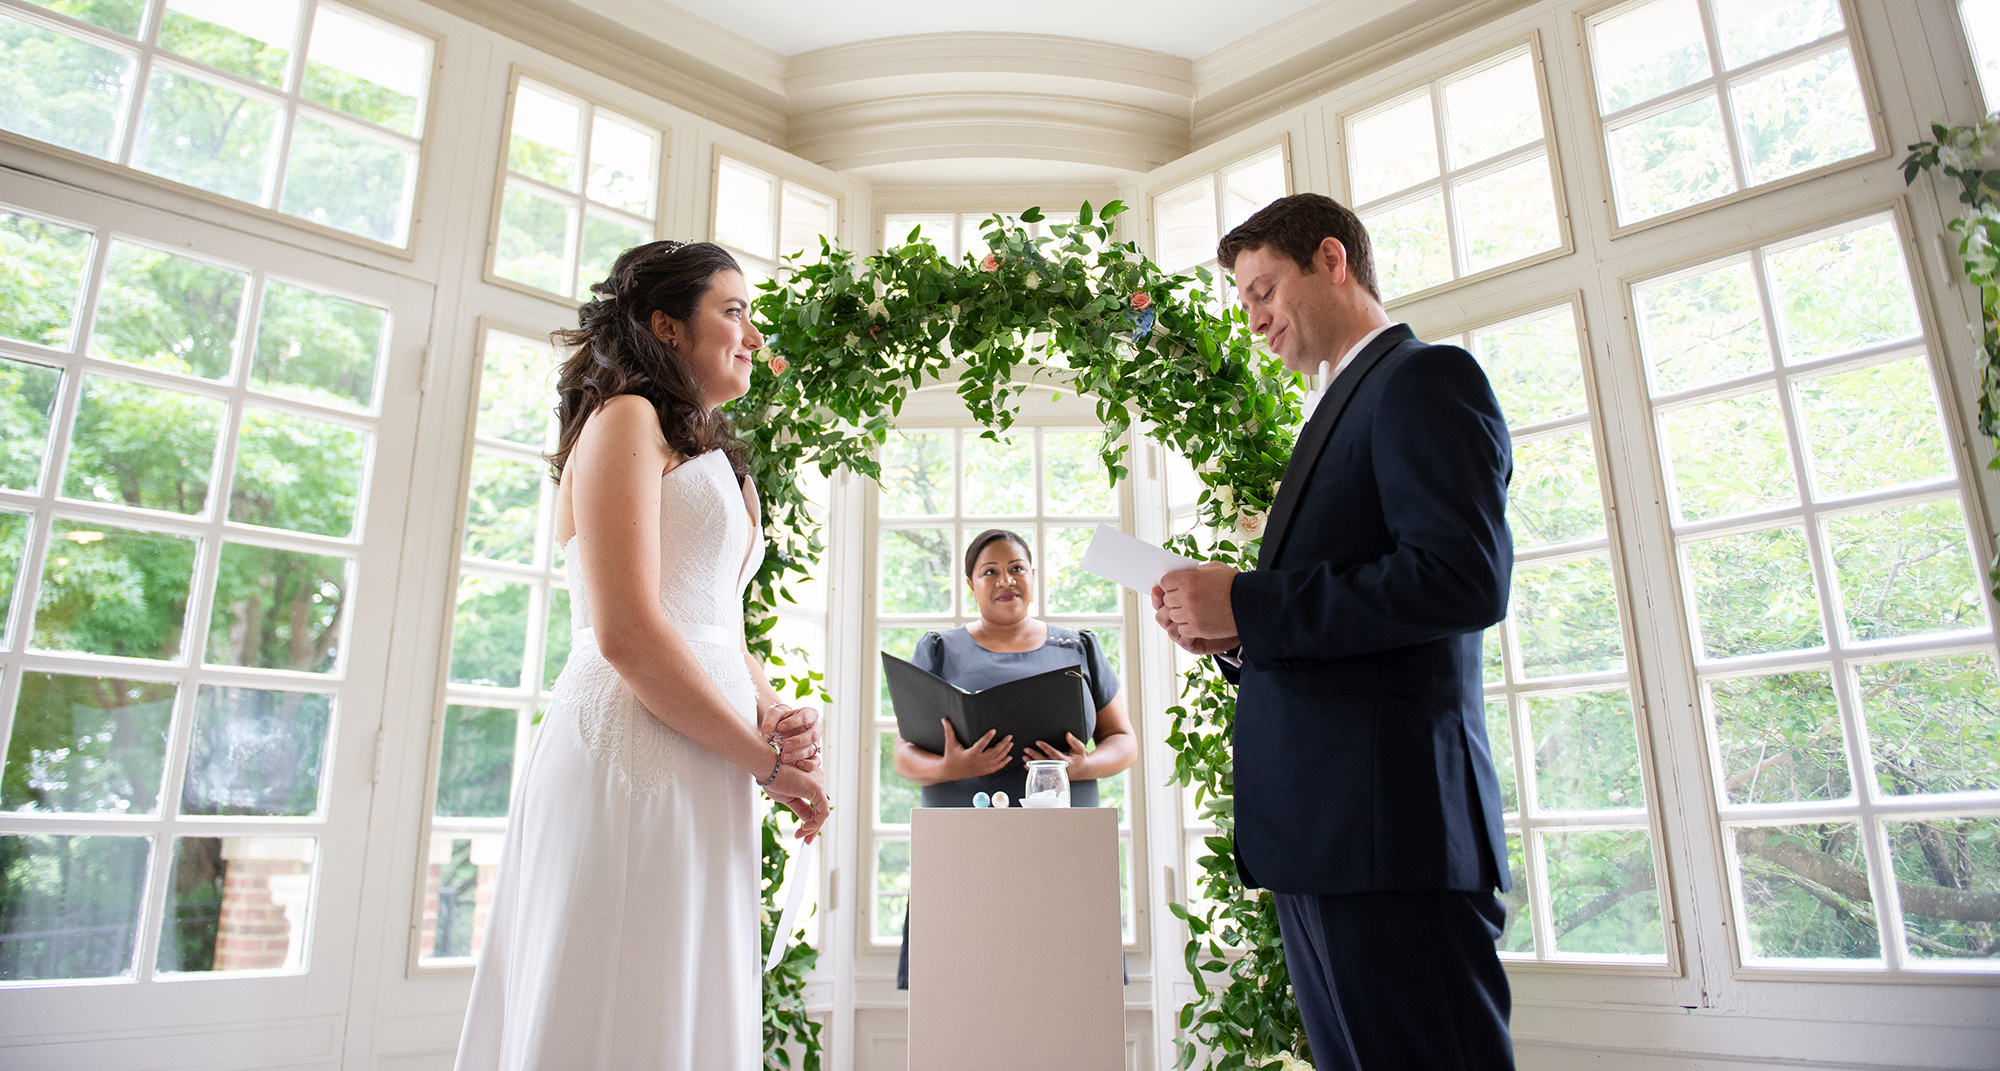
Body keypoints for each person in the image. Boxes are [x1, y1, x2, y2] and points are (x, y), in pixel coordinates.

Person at [1152, 193, 1516, 1071]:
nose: (1255, 319)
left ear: (1332, 259)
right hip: (1326, 837)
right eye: (1244, 303)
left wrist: (1252, 603)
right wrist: (1237, 635)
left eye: (1264, 290)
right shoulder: (1340, 404)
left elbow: (1462, 577)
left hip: (1390, 833)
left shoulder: (1424, 379)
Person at [455, 240, 828, 1071]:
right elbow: (627, 630)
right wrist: (766, 763)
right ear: (666, 324)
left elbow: (716, 621)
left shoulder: (716, 451)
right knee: (619, 993)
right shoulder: (625, 418)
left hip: (709, 751)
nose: (752, 335)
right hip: (634, 744)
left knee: (679, 995)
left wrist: (767, 707)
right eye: (732, 311)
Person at [890, 527, 1136, 989]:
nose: (1006, 580)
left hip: (1063, 853)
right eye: (991, 571)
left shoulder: (1078, 647)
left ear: (1033, 576)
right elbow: (903, 755)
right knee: (966, 994)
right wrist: (949, 769)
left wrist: (1084, 767)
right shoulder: (939, 651)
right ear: (971, 585)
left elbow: (1124, 741)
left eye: (1016, 568)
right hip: (964, 856)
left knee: (1068, 993)